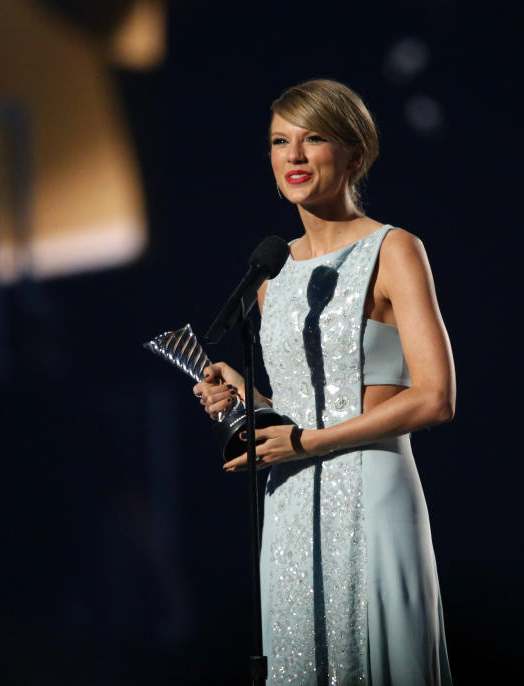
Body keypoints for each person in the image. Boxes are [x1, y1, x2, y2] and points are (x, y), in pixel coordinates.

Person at [193, 79, 455, 686]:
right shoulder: (271, 272)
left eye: (313, 139)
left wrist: (307, 443)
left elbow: (435, 397)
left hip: (371, 489)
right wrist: (245, 400)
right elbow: (295, 409)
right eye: (280, 141)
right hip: (288, 501)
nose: (294, 155)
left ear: (354, 155)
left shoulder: (394, 249)